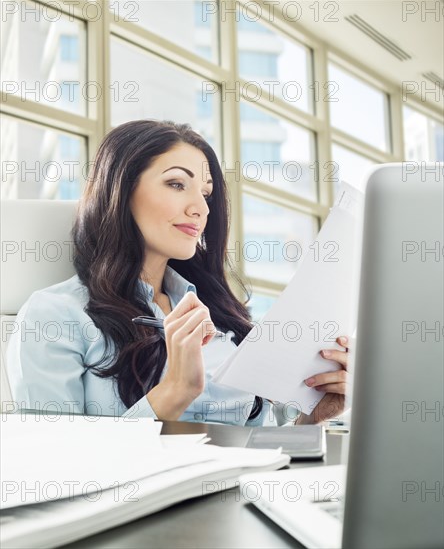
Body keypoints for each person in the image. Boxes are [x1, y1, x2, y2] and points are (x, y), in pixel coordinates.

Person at [7, 120, 349, 426]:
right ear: (121, 191)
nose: (200, 208)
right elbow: (57, 464)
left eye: (206, 193)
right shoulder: (54, 316)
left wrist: (310, 420)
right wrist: (175, 391)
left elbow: (260, 452)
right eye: (175, 184)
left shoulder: (220, 316)